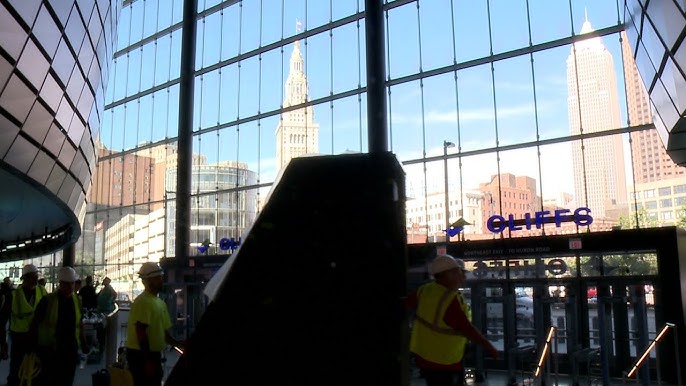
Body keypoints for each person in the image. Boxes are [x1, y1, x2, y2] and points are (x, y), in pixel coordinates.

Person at [406, 254, 499, 386]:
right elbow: (467, 328)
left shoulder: (424, 290)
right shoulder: (449, 299)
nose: (462, 277)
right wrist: (489, 347)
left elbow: (406, 303)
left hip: (424, 357)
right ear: (445, 275)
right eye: (458, 272)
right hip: (444, 360)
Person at [126, 262, 183, 386]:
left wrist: (179, 345)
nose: (161, 281)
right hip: (141, 356)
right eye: (157, 278)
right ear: (146, 281)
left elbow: (163, 333)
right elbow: (141, 332)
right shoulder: (142, 302)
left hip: (152, 355)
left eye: (160, 277)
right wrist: (148, 361)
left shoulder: (159, 303)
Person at [29, 266, 88, 386]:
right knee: (51, 380)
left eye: (72, 283)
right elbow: (34, 324)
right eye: (67, 284)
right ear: (60, 283)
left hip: (70, 348)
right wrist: (33, 349)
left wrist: (83, 343)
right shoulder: (48, 301)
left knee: (67, 379)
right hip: (50, 349)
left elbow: (79, 323)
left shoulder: (77, 300)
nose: (70, 287)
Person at [7, 264, 48, 386]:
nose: (36, 279)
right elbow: (4, 317)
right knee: (17, 367)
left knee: (36, 367)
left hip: (36, 335)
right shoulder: (14, 295)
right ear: (25, 278)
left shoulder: (42, 291)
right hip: (19, 336)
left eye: (36, 276)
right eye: (33, 276)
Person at [0, 277, 14, 360]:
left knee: (2, 335)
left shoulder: (2, 292)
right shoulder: (11, 292)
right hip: (7, 316)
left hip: (2, 316)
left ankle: (3, 352)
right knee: (4, 335)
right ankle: (4, 353)